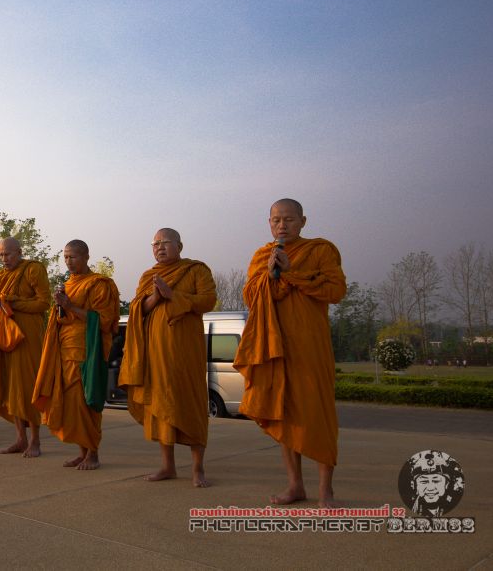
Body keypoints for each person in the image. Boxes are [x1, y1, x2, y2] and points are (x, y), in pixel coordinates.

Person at [233, 199, 346, 507]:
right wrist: (270, 275)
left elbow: (336, 291)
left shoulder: (321, 250)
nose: (282, 225)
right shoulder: (262, 255)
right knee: (283, 417)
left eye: (289, 219)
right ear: (269, 223)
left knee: (318, 414)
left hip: (310, 347)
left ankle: (326, 490)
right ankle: (295, 485)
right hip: (276, 346)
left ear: (303, 221)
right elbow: (250, 296)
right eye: (276, 220)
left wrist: (292, 272)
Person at [119, 228, 217, 485]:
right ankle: (167, 466)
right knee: (161, 406)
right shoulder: (148, 276)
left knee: (191, 404)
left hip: (186, 352)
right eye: (155, 244)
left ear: (179, 246)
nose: (159, 247)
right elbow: (139, 310)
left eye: (165, 242)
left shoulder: (196, 270)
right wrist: (156, 296)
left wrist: (173, 295)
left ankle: (198, 469)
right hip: (156, 353)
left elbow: (208, 301)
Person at [33, 240, 120, 470]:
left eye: (73, 257)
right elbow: (62, 319)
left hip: (88, 352)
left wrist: (70, 306)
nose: (68, 262)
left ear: (86, 257)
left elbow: (104, 321)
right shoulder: (68, 285)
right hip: (65, 349)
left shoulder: (99, 284)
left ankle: (93, 453)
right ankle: (82, 452)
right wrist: (61, 306)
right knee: (71, 405)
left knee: (86, 401)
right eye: (65, 257)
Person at [0, 237, 51, 458]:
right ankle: (20, 439)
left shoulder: (33, 269)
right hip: (7, 336)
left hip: (28, 337)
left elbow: (44, 303)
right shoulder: (2, 275)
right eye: (1, 254)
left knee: (28, 386)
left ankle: (35, 440)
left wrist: (12, 302)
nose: (4, 259)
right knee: (11, 387)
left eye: (8, 254)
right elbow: (5, 304)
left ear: (19, 252)